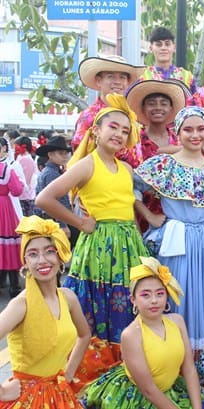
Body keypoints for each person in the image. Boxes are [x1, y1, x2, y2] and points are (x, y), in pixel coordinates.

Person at [133, 106, 204, 385]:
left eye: (200, 129)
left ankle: (203, 373)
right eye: (188, 129)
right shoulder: (164, 165)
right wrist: (149, 216)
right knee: (174, 296)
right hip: (175, 240)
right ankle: (169, 366)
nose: (195, 135)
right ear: (178, 132)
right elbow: (132, 188)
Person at [35, 94, 150, 358]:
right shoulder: (87, 165)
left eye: (125, 130)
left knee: (127, 303)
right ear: (96, 130)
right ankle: (96, 365)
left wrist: (138, 238)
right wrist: (79, 223)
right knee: (98, 304)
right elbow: (44, 199)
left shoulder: (126, 169)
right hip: (99, 246)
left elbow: (128, 207)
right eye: (113, 127)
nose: (119, 134)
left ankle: (124, 364)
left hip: (129, 245)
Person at [84, 257, 204, 409]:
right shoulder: (131, 335)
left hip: (172, 389)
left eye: (160, 293)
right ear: (133, 300)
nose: (154, 301)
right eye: (145, 295)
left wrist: (197, 407)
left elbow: (188, 368)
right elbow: (149, 390)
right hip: (142, 399)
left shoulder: (176, 321)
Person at [0, 216, 90, 408]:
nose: (42, 260)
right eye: (33, 254)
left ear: (60, 256)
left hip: (59, 394)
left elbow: (84, 335)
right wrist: (1, 392)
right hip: (26, 399)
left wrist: (69, 373)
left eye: (49, 251)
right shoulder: (21, 305)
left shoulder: (68, 298)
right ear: (25, 262)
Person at [126, 79, 186, 233]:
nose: (158, 107)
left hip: (177, 222)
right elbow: (126, 185)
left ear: (171, 108)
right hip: (138, 218)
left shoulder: (181, 140)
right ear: (144, 108)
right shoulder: (132, 143)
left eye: (163, 103)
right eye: (152, 103)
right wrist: (147, 215)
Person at [72, 55, 145, 168]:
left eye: (122, 77)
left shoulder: (131, 115)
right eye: (111, 76)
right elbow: (80, 148)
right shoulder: (89, 116)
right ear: (98, 81)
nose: (117, 82)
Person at [33, 136, 75, 245]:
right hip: (54, 219)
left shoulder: (53, 171)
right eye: (61, 153)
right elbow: (55, 201)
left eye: (66, 153)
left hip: (53, 218)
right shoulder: (51, 173)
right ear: (50, 155)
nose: (65, 156)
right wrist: (62, 225)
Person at [140, 27, 198, 96]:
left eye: (167, 44)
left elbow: (197, 104)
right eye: (159, 45)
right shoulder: (143, 77)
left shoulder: (188, 77)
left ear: (174, 47)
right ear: (151, 48)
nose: (163, 48)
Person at [0, 139, 24, 298]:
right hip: (4, 209)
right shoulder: (6, 169)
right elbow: (17, 190)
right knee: (9, 245)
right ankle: (14, 286)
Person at [12, 136, 38, 216]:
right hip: (26, 195)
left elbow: (26, 179)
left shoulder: (24, 159)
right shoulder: (25, 158)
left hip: (24, 196)